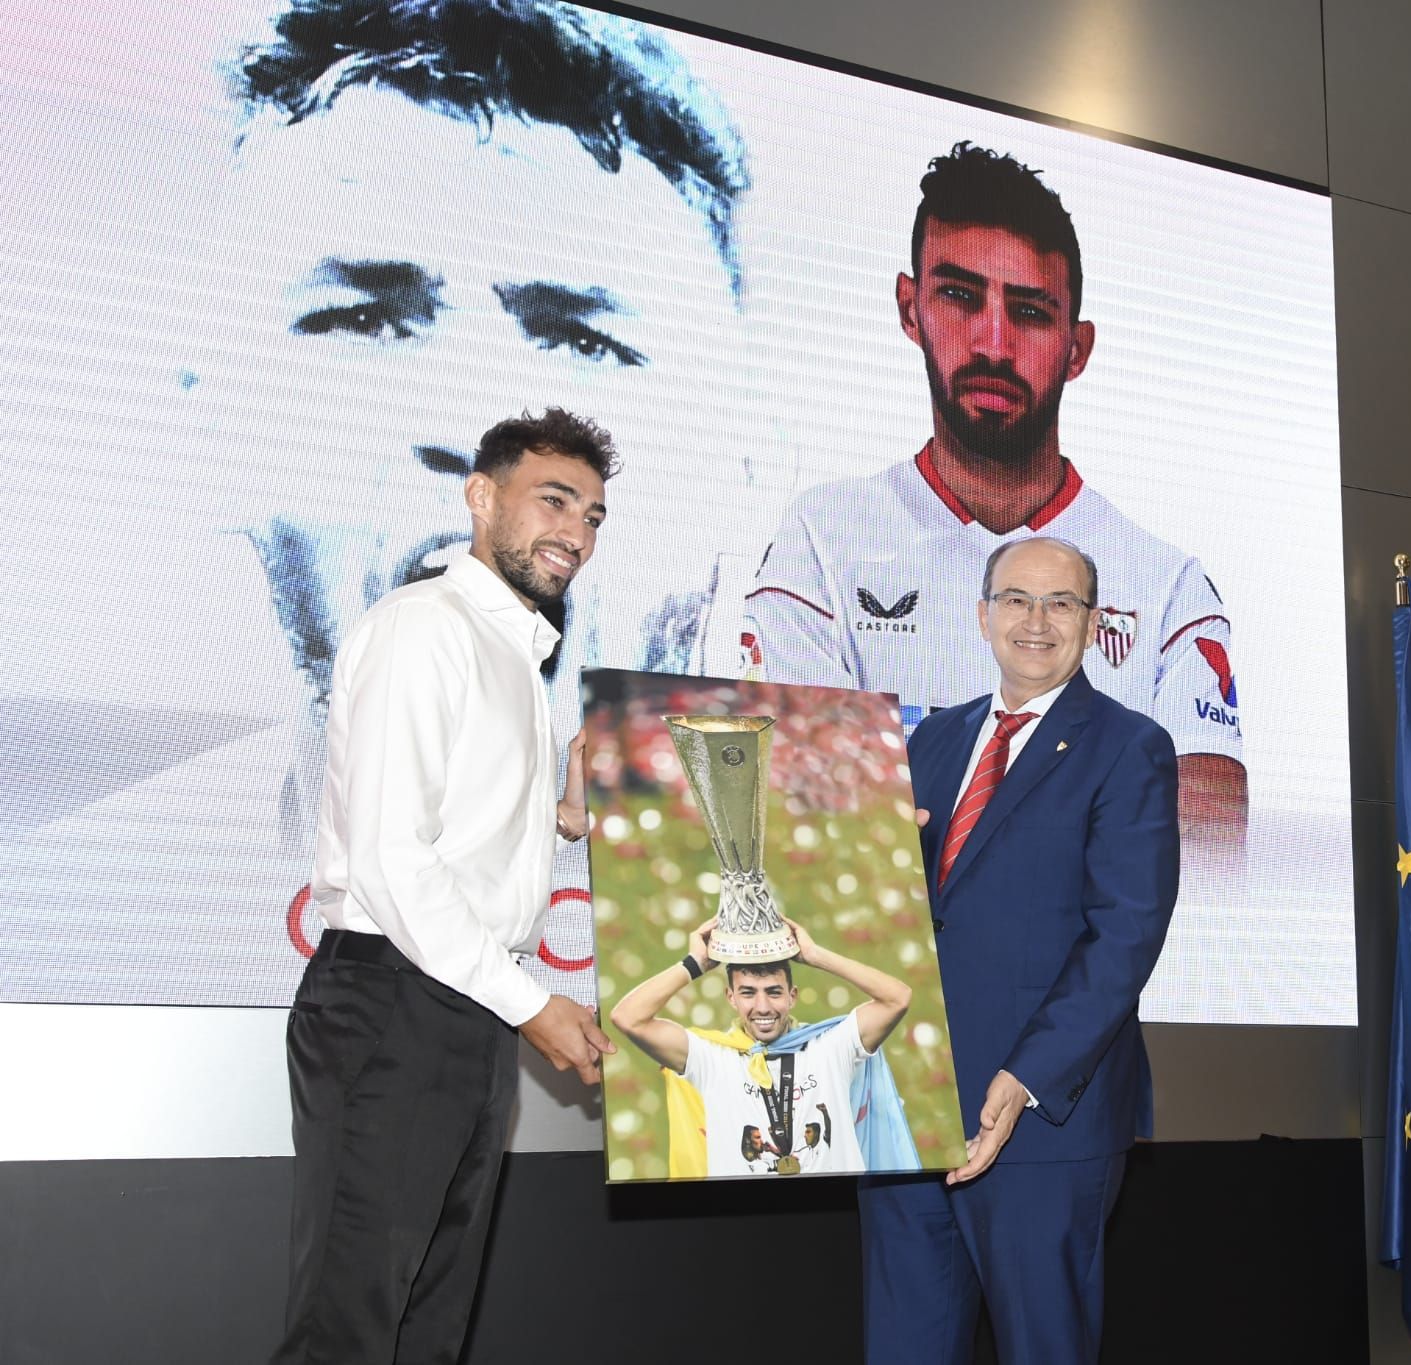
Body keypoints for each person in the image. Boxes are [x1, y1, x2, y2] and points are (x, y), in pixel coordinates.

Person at [181, 0, 760, 982]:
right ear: (215, 422)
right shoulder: (114, 895)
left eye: (584, 340)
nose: (479, 438)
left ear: (742, 469)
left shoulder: (813, 872)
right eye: (364, 318)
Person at [744, 142, 1246, 871]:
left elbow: (1205, 862)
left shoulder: (1168, 588)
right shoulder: (822, 538)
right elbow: (803, 826)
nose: (994, 342)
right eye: (959, 295)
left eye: (1031, 311)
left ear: (1078, 347)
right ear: (910, 309)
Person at [275, 408, 620, 1364]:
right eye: (555, 501)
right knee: (348, 1332)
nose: (576, 534)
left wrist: (566, 811)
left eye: (593, 516)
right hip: (393, 1002)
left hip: (458, 1006)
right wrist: (531, 1003)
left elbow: (462, 828)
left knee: (426, 1329)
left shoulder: (515, 653)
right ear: (480, 496)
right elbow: (394, 860)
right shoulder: (426, 628)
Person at [859, 535, 1179, 1362]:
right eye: (1015, 599)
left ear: (1094, 622)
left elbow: (1125, 934)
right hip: (906, 1107)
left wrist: (1027, 1074)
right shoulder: (924, 742)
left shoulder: (1129, 746)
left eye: (1061, 602)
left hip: (1042, 1122)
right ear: (982, 613)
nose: (1036, 621)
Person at [612, 918, 915, 1177]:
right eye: (748, 993)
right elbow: (628, 1018)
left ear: (792, 996)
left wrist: (815, 955)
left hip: (832, 1211)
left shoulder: (829, 1047)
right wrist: (695, 964)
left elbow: (897, 998)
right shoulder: (712, 1057)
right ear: (730, 997)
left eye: (774, 992)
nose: (763, 1006)